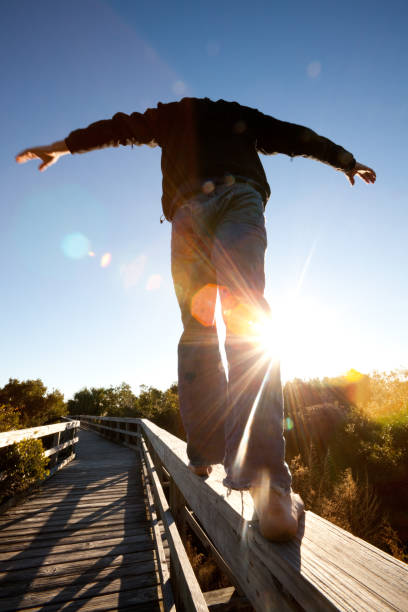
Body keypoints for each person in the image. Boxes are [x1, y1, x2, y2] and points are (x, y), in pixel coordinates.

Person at [16, 97, 376, 541]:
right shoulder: (237, 115)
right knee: (247, 321)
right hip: (239, 199)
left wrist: (63, 147)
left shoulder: (169, 116)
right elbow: (294, 137)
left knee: (198, 330)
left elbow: (116, 128)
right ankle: (269, 491)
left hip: (189, 212)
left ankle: (205, 451)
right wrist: (346, 161)